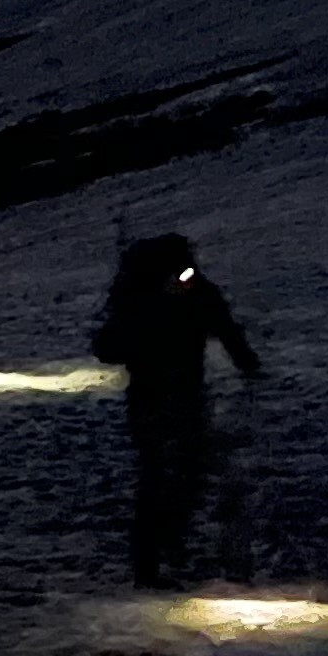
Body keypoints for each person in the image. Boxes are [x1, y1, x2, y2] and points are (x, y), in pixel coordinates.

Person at [90, 232, 262, 586]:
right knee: (159, 476)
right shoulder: (142, 297)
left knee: (186, 473)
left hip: (182, 396)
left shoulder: (194, 292)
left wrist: (247, 362)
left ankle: (169, 546)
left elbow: (225, 327)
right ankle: (150, 563)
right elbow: (108, 346)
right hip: (153, 398)